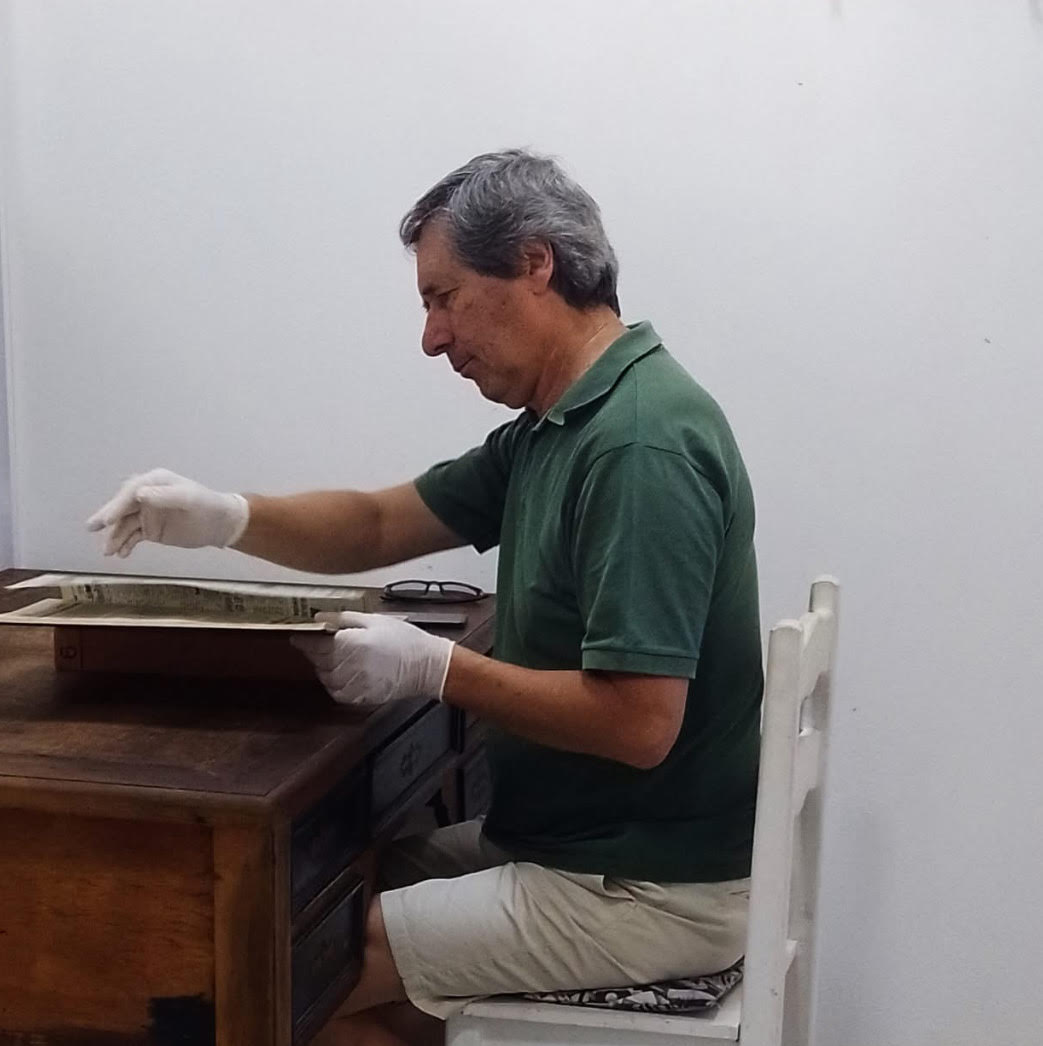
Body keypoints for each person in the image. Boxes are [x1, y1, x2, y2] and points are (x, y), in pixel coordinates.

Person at [87, 149, 763, 1046]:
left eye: (443, 298)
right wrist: (226, 517)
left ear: (533, 262)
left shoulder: (638, 446)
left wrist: (437, 668)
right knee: (306, 894)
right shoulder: (560, 425)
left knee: (271, 961)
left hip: (642, 888)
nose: (432, 338)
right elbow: (376, 524)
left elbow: (640, 723)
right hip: (573, 845)